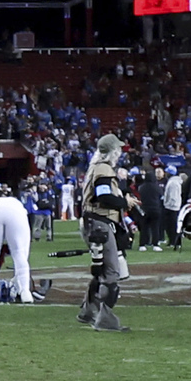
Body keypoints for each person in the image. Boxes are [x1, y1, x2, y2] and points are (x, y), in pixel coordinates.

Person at [75, 133, 131, 332]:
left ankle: (88, 311)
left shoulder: (94, 167)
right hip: (100, 222)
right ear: (112, 151)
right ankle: (104, 319)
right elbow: (104, 197)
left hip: (93, 221)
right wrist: (125, 202)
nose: (121, 153)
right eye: (118, 149)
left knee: (101, 270)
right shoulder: (104, 169)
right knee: (111, 273)